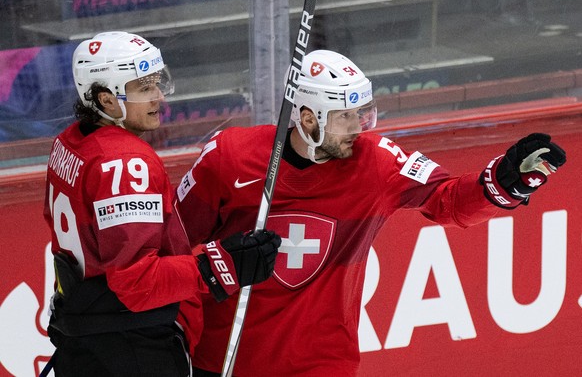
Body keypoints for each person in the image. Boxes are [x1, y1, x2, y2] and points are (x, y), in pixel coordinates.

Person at [174, 49, 566, 376]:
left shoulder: (377, 162)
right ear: (308, 119)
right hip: (224, 359)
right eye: (345, 116)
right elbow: (171, 243)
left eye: (363, 113)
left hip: (322, 364)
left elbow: (448, 200)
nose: (359, 127)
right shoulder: (229, 158)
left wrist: (504, 182)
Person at [43, 31, 281, 377]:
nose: (159, 97)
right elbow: (135, 283)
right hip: (130, 347)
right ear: (106, 100)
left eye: (157, 83)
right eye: (144, 88)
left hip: (84, 334)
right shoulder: (126, 162)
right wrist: (221, 266)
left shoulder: (69, 143)